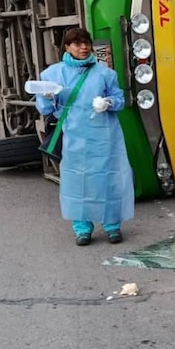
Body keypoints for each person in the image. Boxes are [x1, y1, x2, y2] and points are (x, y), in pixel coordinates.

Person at [36, 27, 134, 246]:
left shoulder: (105, 73)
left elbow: (119, 100)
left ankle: (112, 226)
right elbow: (43, 108)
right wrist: (49, 97)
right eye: (77, 44)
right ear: (67, 47)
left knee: (108, 178)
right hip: (74, 138)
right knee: (78, 182)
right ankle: (82, 229)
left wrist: (108, 103)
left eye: (86, 43)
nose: (83, 47)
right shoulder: (53, 74)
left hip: (106, 138)